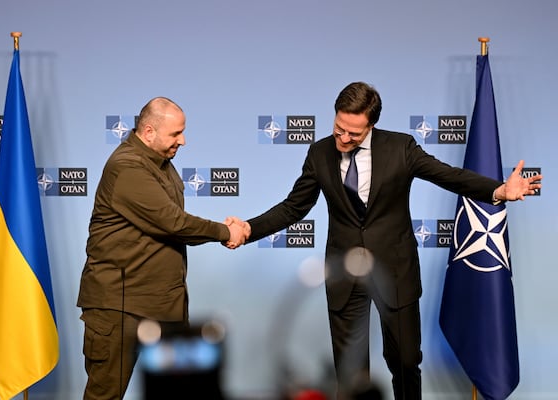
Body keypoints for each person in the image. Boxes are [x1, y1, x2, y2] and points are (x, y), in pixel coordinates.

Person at [229, 82, 542, 400]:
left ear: (372, 125)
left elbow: (447, 175)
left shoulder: (401, 148)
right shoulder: (319, 153)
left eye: (354, 133)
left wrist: (498, 190)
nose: (344, 139)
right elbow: (293, 207)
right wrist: (249, 229)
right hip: (343, 277)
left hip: (395, 272)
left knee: (405, 363)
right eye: (339, 129)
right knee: (350, 373)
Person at [77, 97, 246, 399]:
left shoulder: (163, 164)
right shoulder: (126, 167)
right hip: (121, 308)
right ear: (150, 131)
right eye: (175, 134)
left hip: (163, 307)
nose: (183, 140)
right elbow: (174, 223)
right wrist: (225, 231)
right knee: (105, 396)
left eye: (182, 132)